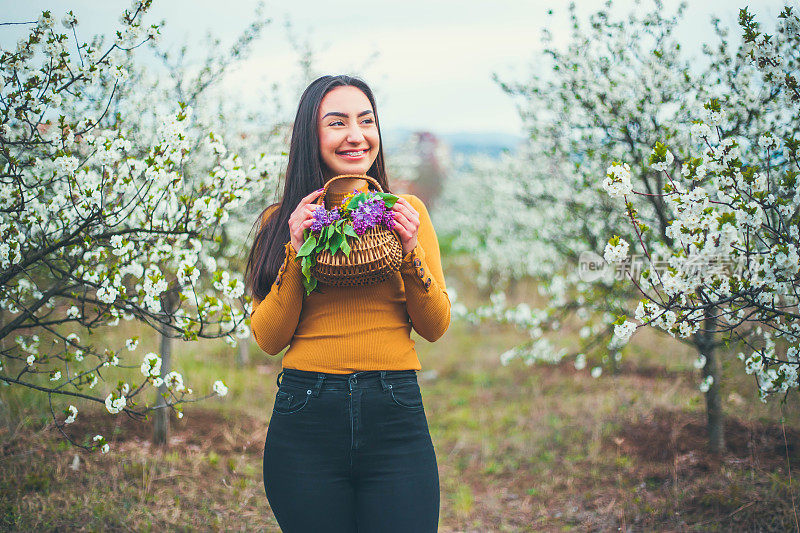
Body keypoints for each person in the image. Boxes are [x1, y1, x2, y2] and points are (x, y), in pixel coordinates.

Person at [244, 74, 450, 532]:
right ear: (310, 135)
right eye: (337, 122)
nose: (356, 135)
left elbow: (435, 325)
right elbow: (268, 338)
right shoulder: (281, 220)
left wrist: (409, 249)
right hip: (306, 417)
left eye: (366, 120)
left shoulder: (407, 211)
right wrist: (297, 249)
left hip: (394, 412)